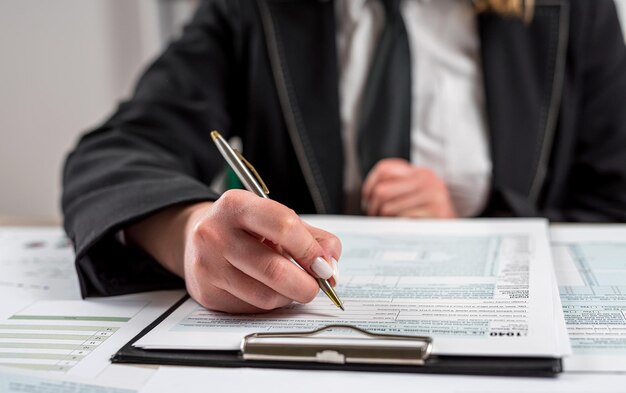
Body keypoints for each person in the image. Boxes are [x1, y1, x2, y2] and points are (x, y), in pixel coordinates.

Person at [62, 0, 626, 313]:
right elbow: (114, 154)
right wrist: (188, 232)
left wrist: (475, 229)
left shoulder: (573, 13)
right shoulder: (252, 13)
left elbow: (612, 198)